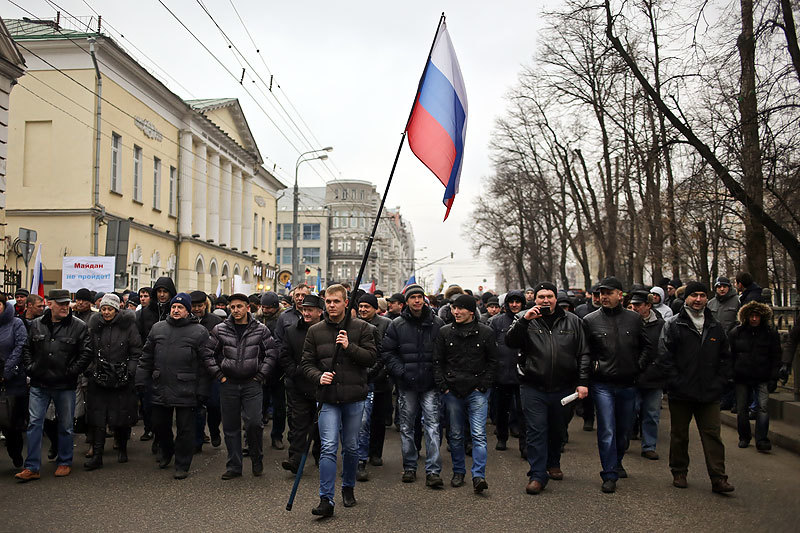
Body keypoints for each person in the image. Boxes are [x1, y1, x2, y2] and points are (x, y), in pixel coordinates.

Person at [505, 283, 589, 495]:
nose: (545, 300)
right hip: (533, 385)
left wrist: (583, 381)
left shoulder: (573, 321)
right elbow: (510, 341)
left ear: (555, 298)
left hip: (563, 386)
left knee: (558, 429)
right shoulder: (525, 318)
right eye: (541, 296)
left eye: (549, 296)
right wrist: (525, 321)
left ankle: (553, 462)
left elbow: (583, 353)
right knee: (536, 430)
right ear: (535, 299)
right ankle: (537, 474)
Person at [301, 284, 376, 517]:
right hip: (328, 399)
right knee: (329, 447)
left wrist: (349, 346)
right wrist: (318, 376)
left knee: (351, 447)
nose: (331, 305)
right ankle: (326, 499)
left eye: (336, 301)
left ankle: (348, 486)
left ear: (346, 303)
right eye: (328, 301)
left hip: (354, 398)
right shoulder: (315, 331)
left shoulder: (362, 328)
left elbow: (371, 358)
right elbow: (306, 364)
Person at [657, 281, 735, 493]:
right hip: (681, 392)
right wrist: (676, 382)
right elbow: (664, 357)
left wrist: (720, 383)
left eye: (702, 295)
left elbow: (725, 358)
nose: (698, 299)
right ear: (687, 298)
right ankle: (679, 471)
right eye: (694, 296)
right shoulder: (673, 325)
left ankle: (718, 478)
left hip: (709, 393)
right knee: (680, 435)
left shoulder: (715, 325)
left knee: (712, 435)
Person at [15, 289, 93, 482]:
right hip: (39, 383)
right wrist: (31, 369)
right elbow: (26, 349)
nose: (65, 307)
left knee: (66, 425)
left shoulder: (79, 326)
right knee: (34, 424)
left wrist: (71, 371)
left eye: (67, 303)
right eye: (61, 303)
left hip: (64, 384)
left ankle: (65, 461)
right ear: (50, 304)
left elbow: (86, 353)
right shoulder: (36, 325)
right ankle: (32, 466)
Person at [583, 277, 651, 493]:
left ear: (620, 295)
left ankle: (618, 459)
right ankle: (609, 473)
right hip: (602, 383)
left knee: (623, 430)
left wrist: (636, 367)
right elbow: (585, 352)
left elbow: (648, 347)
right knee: (607, 430)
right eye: (601, 292)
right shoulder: (590, 320)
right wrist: (589, 373)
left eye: (609, 292)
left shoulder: (633, 319)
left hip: (627, 383)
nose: (603, 296)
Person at [136, 292, 210, 480]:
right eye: (174, 307)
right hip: (161, 385)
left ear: (188, 310)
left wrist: (202, 390)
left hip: (187, 388)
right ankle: (166, 451)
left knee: (186, 429)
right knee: (160, 425)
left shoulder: (199, 332)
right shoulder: (157, 329)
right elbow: (146, 358)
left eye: (180, 308)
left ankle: (182, 464)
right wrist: (141, 380)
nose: (176, 310)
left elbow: (205, 364)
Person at [203, 293, 277, 479]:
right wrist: (219, 376)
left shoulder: (260, 330)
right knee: (230, 426)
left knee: (253, 423)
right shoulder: (220, 329)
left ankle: (256, 457)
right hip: (228, 383)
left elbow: (271, 353)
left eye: (239, 306)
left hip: (252, 383)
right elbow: (208, 354)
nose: (235, 310)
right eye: (233, 307)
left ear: (247, 308)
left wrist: (261, 375)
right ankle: (234, 465)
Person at [381, 284, 445, 488]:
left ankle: (433, 470)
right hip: (407, 384)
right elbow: (388, 352)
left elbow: (444, 354)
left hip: (430, 384)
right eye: (413, 297)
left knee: (433, 427)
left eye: (420, 297)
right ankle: (409, 466)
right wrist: (401, 372)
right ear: (406, 301)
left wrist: (438, 375)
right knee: (407, 426)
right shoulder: (397, 324)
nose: (417, 301)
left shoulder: (437, 323)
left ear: (424, 299)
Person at [434, 294, 497, 494]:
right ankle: (459, 471)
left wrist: (484, 385)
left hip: (477, 391)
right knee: (455, 433)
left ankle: (479, 475)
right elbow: (437, 362)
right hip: (452, 391)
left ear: (471, 311)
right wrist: (443, 386)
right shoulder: (444, 332)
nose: (456, 312)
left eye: (460, 308)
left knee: (478, 434)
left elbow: (493, 362)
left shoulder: (486, 333)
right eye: (454, 308)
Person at [83, 294, 142, 470]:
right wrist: (92, 370)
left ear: (117, 310)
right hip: (99, 378)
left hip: (121, 378)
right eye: (104, 309)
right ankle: (98, 455)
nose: (106, 312)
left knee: (121, 416)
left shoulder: (128, 326)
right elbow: (88, 350)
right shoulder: (94, 326)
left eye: (110, 309)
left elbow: (136, 351)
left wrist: (129, 372)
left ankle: (122, 447)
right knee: (98, 417)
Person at [279, 294, 323, 473]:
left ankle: (321, 457)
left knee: (320, 425)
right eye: (304, 309)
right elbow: (284, 355)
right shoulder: (291, 331)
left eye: (310, 310)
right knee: (298, 424)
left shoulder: (327, 331)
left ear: (319, 312)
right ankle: (295, 459)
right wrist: (295, 371)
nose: (306, 313)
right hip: (298, 385)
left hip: (320, 386)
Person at [728, 301, 781, 451]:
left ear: (762, 317)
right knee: (742, 408)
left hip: (763, 375)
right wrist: (730, 374)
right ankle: (744, 437)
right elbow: (730, 355)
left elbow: (776, 356)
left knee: (763, 408)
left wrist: (773, 377)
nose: (754, 319)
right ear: (746, 317)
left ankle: (762, 439)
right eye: (751, 316)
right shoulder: (736, 333)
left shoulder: (770, 334)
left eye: (757, 316)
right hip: (742, 376)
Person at [355, 293, 392, 481]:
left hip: (381, 379)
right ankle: (360, 455)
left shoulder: (385, 324)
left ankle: (375, 453)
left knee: (378, 418)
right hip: (361, 380)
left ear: (375, 309)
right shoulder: (354, 324)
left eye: (366, 307)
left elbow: (386, 352)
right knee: (362, 421)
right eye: (360, 306)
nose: (363, 310)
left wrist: (378, 372)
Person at [628, 291, 665, 460]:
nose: (634, 308)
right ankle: (625, 440)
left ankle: (649, 445)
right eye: (633, 305)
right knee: (629, 411)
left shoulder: (661, 325)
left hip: (653, 377)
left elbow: (664, 350)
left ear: (648, 306)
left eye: (638, 305)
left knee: (651, 413)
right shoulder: (627, 323)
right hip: (631, 375)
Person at [488, 290, 526, 455]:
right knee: (501, 409)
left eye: (518, 302)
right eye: (512, 302)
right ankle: (502, 437)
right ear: (507, 304)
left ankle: (524, 444)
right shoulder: (496, 322)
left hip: (524, 374)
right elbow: (489, 347)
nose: (515, 305)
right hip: (502, 373)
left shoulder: (529, 320)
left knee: (523, 411)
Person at [190, 291, 223, 453]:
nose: (197, 309)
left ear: (205, 305)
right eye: (194, 306)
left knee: (215, 405)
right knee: (196, 407)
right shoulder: (186, 322)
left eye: (199, 306)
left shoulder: (216, 322)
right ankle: (197, 439)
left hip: (213, 371)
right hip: (194, 371)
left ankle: (215, 429)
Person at [0, 295, 29, 468]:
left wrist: (6, 371)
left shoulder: (16, 323)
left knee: (12, 423)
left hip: (13, 380)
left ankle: (15, 453)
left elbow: (20, 347)